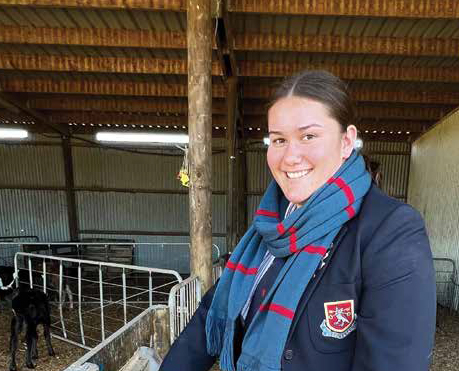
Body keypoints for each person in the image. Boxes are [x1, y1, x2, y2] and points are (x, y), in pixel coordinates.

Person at [160, 70, 435, 371]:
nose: (290, 156)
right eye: (278, 140)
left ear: (347, 142)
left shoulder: (390, 230)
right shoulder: (269, 227)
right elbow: (209, 316)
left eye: (308, 136)